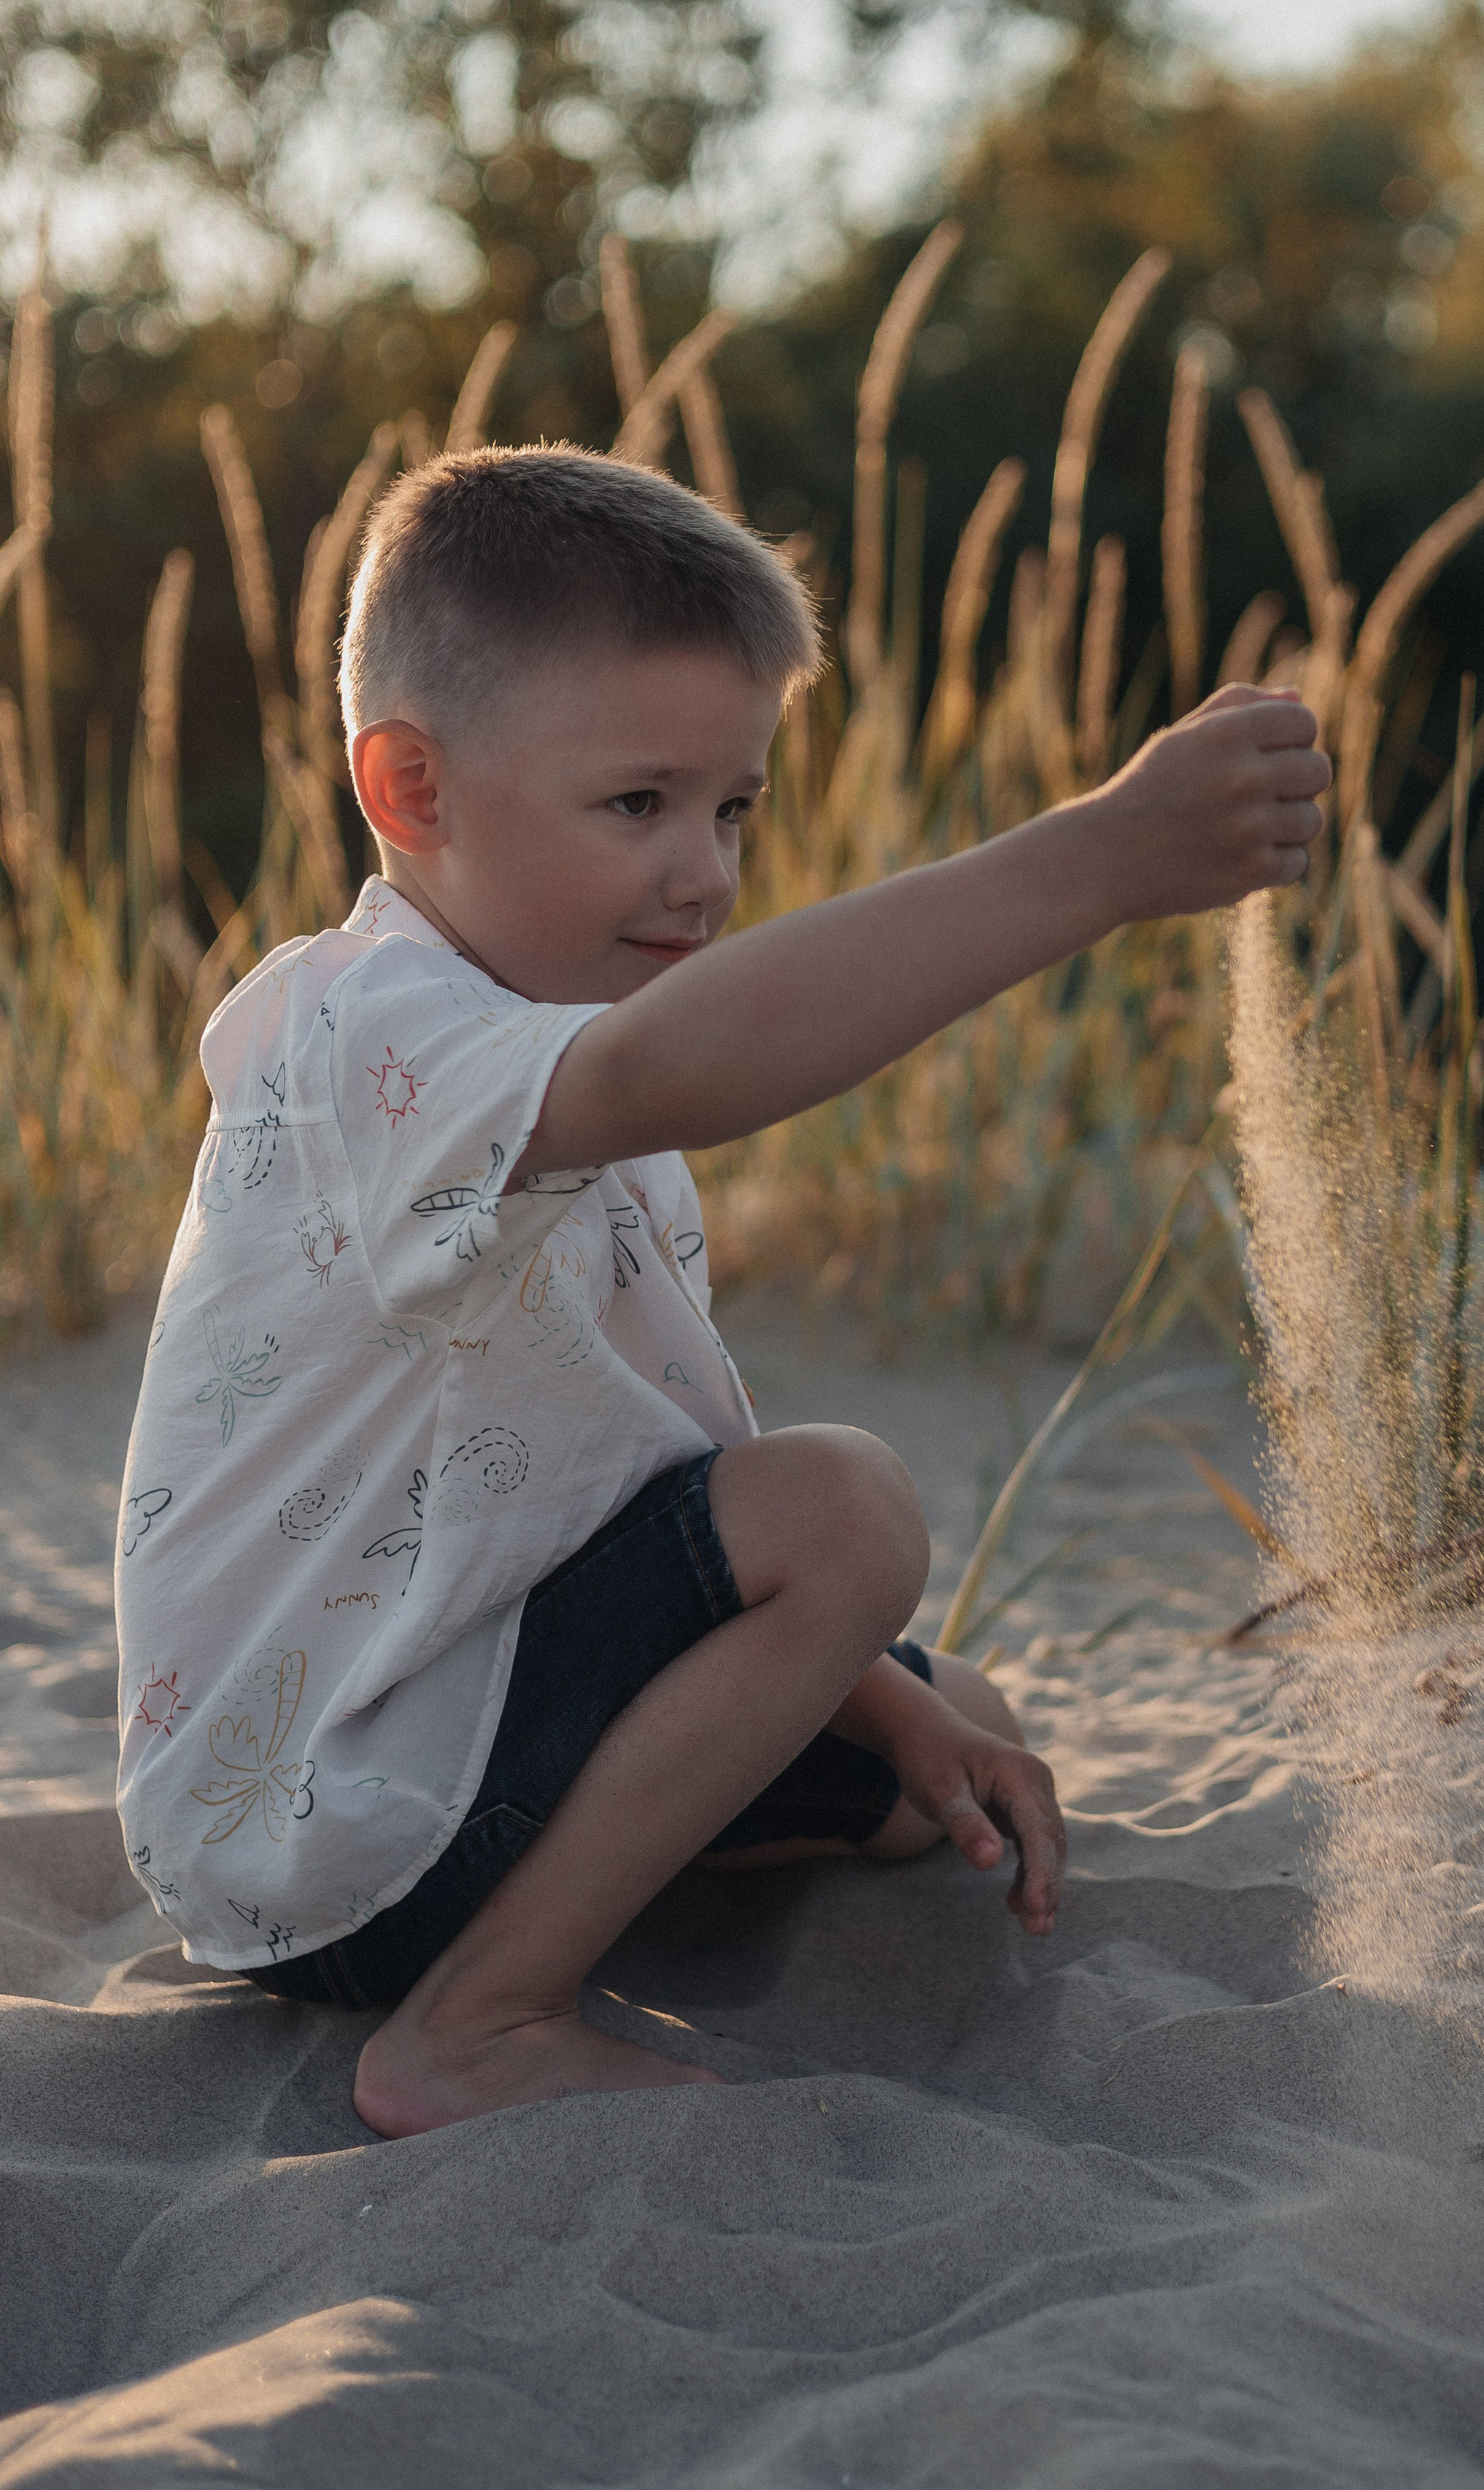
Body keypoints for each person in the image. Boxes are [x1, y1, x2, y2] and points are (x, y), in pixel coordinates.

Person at [114, 446, 1329, 2138]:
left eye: (733, 807)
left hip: (452, 1726)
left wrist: (889, 1704)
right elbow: (700, 1065)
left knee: (953, 1731)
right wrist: (1093, 862)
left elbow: (634, 1485)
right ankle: (479, 2022)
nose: (704, 872)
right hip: (333, 1822)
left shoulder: (542, 1059)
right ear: (412, 790)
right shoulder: (375, 1034)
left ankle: (599, 1886)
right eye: (638, 806)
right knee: (843, 1508)